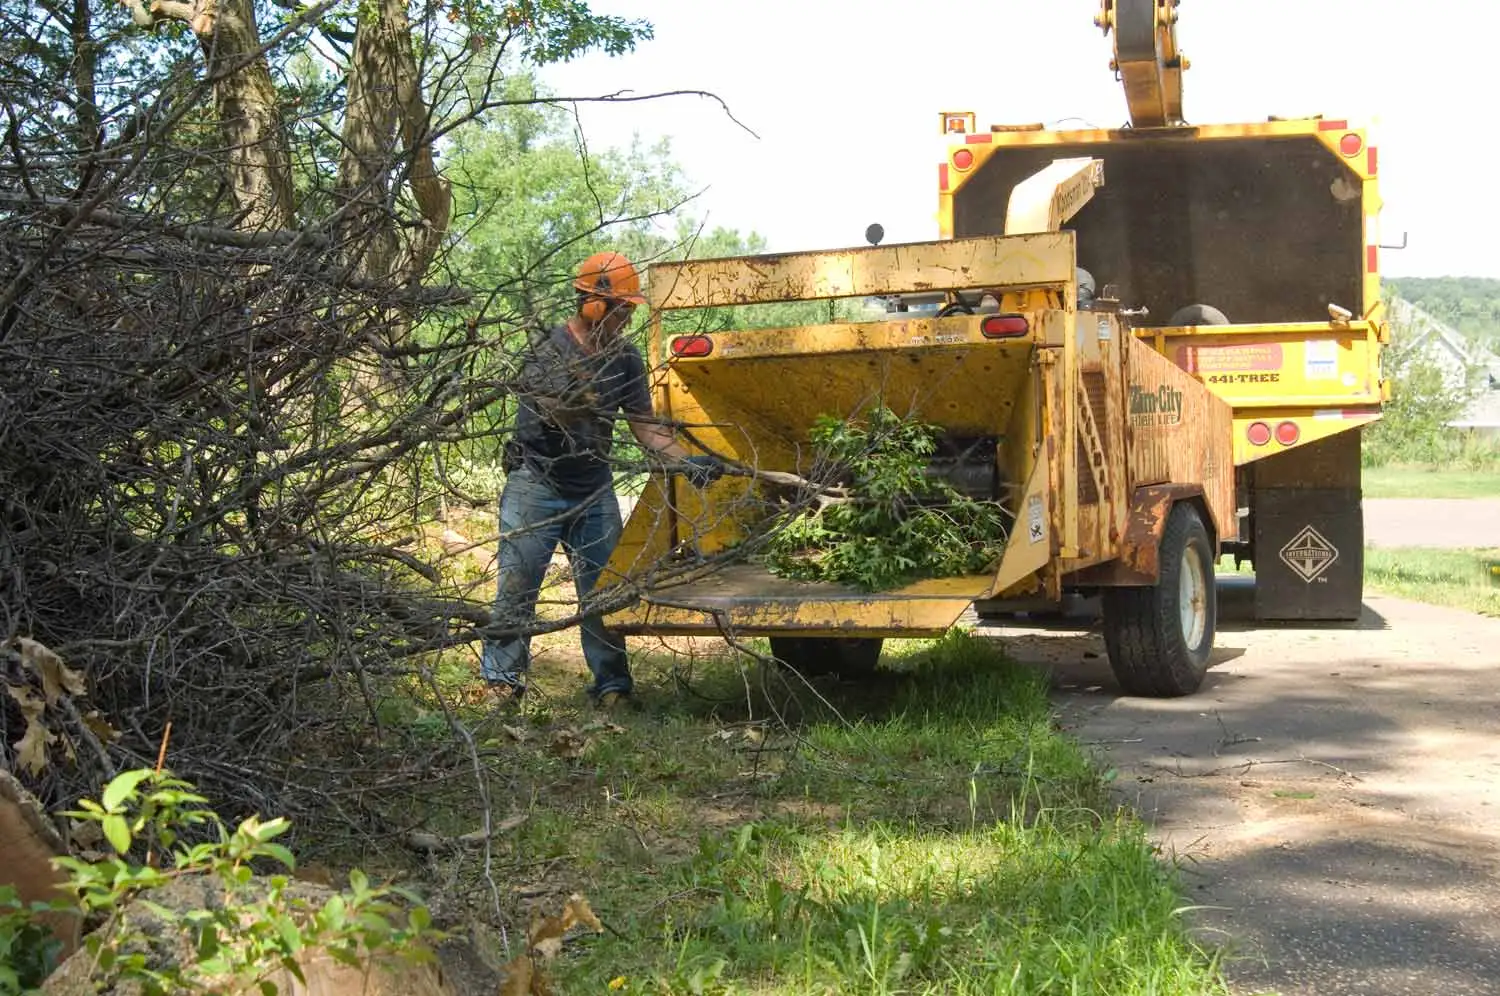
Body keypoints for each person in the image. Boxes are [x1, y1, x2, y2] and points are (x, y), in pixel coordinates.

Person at [481, 251, 723, 709]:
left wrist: (688, 462)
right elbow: (552, 409)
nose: (628, 318)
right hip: (536, 483)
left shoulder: (626, 359)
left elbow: (645, 425)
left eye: (632, 309)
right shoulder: (547, 348)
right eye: (623, 309)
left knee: (604, 591)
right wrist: (576, 399)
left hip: (593, 488)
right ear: (593, 303)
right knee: (518, 584)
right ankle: (502, 683)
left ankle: (612, 686)